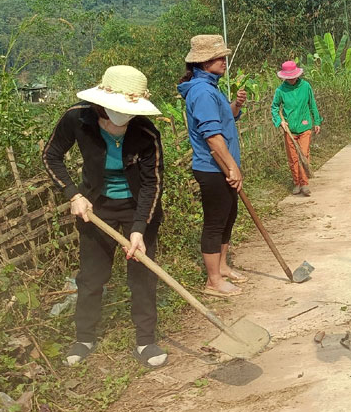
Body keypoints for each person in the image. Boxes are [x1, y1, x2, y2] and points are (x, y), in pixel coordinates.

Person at [43, 65, 167, 369]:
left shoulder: (146, 132)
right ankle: (84, 337)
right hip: (95, 207)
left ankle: (145, 341)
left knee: (142, 274)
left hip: (137, 207)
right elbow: (51, 156)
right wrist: (74, 194)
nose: (122, 121)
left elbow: (153, 183)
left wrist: (139, 229)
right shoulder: (77, 118)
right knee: (92, 276)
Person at [178, 34, 248, 298]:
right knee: (215, 222)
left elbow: (222, 117)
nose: (224, 62)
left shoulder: (211, 88)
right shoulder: (202, 91)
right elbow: (212, 136)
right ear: (204, 61)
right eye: (219, 58)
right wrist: (232, 167)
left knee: (229, 216)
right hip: (212, 166)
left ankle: (222, 267)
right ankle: (213, 281)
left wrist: (236, 106)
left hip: (224, 165)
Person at [271, 60, 322, 197]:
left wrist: (317, 121)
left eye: (293, 76)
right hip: (289, 130)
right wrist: (280, 122)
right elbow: (274, 108)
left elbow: (312, 104)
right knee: (293, 158)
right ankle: (297, 182)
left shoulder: (305, 86)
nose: (291, 79)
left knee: (303, 155)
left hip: (305, 127)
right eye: (288, 77)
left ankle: (304, 183)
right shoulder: (280, 90)